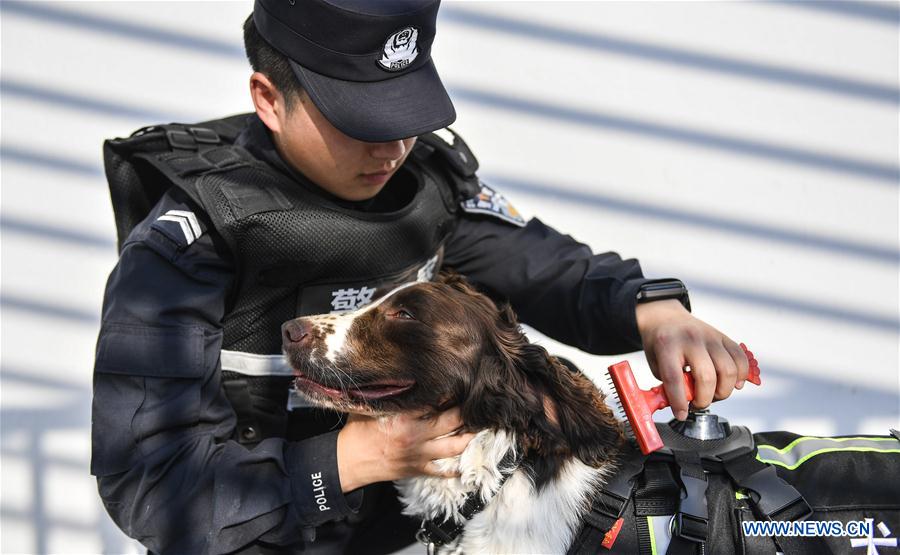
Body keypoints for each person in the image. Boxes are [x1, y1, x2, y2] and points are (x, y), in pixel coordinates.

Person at [92, 1, 751, 553]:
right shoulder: (185, 247)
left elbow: (548, 269)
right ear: (269, 99)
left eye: (405, 116)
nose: (391, 147)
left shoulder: (425, 190)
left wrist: (657, 314)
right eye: (359, 120)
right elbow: (151, 488)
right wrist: (359, 457)